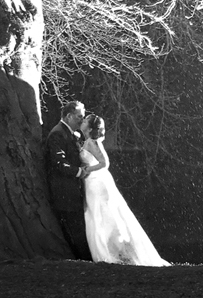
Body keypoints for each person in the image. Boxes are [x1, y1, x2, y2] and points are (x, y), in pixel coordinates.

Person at [80, 114, 170, 266]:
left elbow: (104, 163)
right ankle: (113, 250)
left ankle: (111, 251)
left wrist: (88, 169)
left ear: (88, 128)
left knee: (102, 215)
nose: (82, 122)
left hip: (96, 182)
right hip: (91, 182)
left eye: (84, 121)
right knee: (98, 215)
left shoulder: (92, 142)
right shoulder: (88, 141)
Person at [45, 101, 93, 261]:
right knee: (74, 227)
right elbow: (59, 163)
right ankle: (83, 259)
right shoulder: (57, 133)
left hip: (73, 190)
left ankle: (85, 257)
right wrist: (79, 172)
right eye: (80, 116)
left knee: (79, 226)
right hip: (64, 191)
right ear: (69, 116)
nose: (82, 119)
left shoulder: (71, 133)